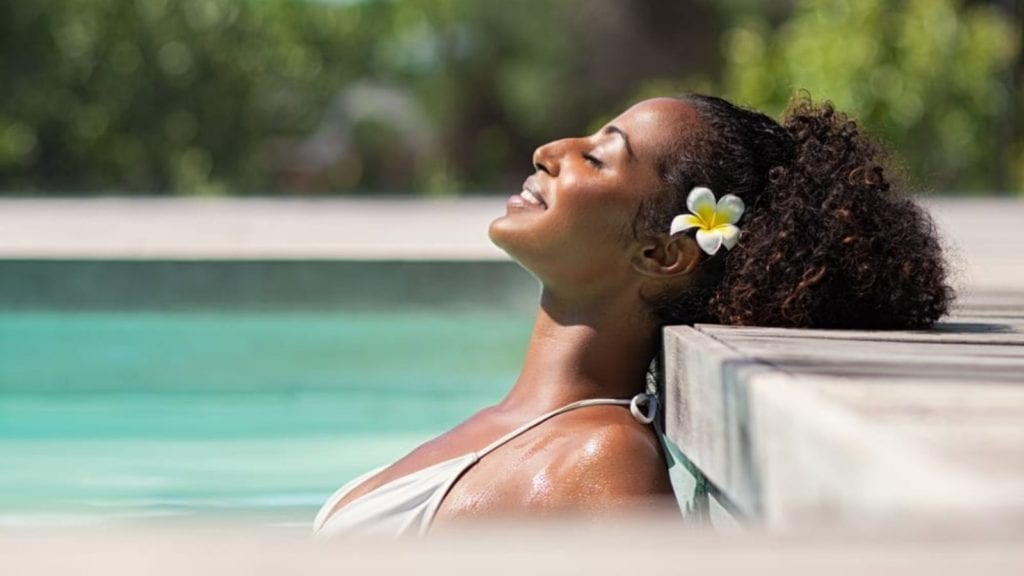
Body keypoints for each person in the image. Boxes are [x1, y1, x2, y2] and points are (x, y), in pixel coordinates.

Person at [313, 94, 953, 537]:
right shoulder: (518, 425)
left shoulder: (604, 460)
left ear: (662, 254)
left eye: (596, 157)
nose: (548, 150)